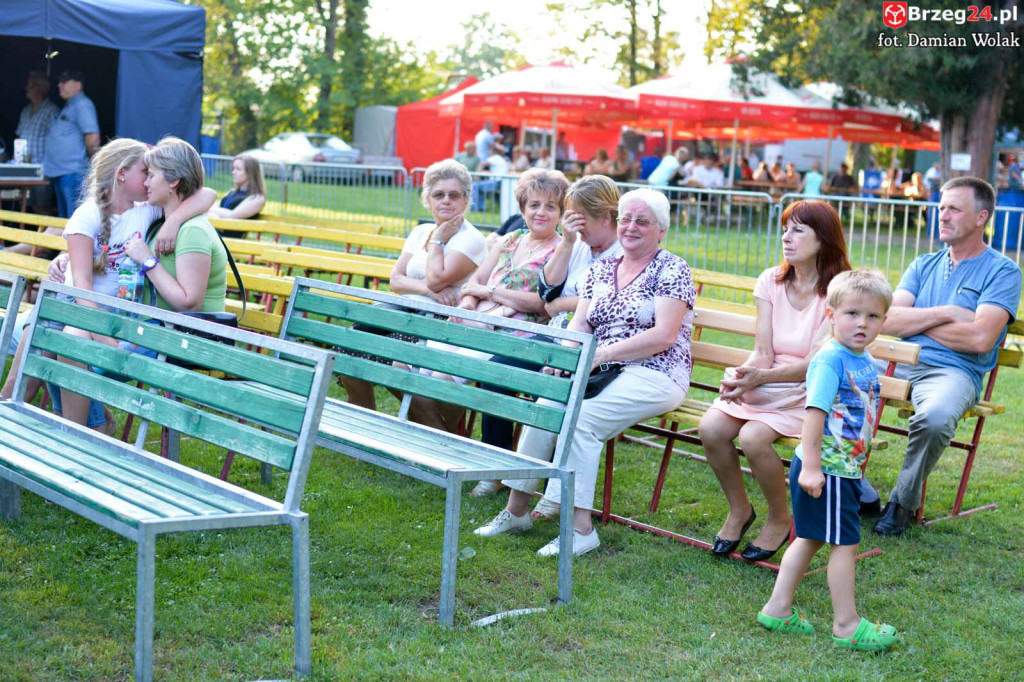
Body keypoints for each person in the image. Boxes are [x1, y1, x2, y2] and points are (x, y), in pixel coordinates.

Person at [473, 188, 695, 557]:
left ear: (662, 230)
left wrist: (601, 355)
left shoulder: (672, 268)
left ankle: (580, 530)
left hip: (655, 370)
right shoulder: (603, 268)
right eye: (626, 219)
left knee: (581, 420)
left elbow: (663, 336)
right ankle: (516, 511)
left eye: (643, 221)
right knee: (547, 404)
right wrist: (566, 358)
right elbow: (580, 324)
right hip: (600, 367)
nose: (631, 227)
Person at [13, 137, 216, 430]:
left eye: (151, 174)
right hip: (70, 304)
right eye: (144, 172)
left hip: (102, 314)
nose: (148, 181)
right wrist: (63, 259)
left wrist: (173, 222)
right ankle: (78, 429)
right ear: (122, 173)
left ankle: (84, 432)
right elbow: (81, 277)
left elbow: (207, 194)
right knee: (25, 382)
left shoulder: (146, 209)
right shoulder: (92, 212)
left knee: (67, 354)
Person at [698, 200, 852, 562]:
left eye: (798, 230)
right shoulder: (771, 279)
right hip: (768, 380)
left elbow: (817, 364)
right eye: (785, 228)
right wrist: (740, 376)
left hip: (811, 391)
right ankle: (739, 510)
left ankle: (781, 518)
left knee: (752, 437)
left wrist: (759, 377)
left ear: (824, 239)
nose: (787, 237)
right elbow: (762, 350)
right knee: (711, 428)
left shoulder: (839, 291)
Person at [872, 177, 1022, 536]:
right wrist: (947, 312)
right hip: (899, 357)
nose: (942, 215)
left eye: (954, 209)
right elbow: (887, 319)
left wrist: (916, 323)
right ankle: (857, 490)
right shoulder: (923, 263)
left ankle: (901, 503)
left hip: (953, 373)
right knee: (831, 375)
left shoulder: (1003, 271)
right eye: (941, 208)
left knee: (936, 418)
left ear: (981, 217)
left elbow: (981, 338)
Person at [758, 269, 898, 653]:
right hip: (828, 470)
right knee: (845, 545)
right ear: (831, 315)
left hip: (842, 469)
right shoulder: (830, 359)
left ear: (883, 320)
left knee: (811, 538)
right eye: (852, 313)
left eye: (872, 316)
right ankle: (846, 624)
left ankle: (777, 608)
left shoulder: (864, 358)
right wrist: (815, 468)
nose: (862, 324)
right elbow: (815, 414)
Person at [413, 168, 567, 437]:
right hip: (476, 322)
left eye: (550, 206)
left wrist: (490, 291)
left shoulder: (561, 249)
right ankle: (441, 441)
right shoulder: (510, 239)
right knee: (416, 374)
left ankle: (446, 445)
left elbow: (542, 304)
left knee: (439, 380)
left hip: (513, 335)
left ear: (561, 212)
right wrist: (470, 302)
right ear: (522, 208)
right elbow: (474, 283)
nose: (540, 212)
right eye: (533, 205)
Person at [340, 159, 487, 411]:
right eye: (438, 195)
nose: (446, 201)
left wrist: (438, 240)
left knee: (394, 362)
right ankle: (367, 425)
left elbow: (436, 278)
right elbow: (395, 280)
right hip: (401, 313)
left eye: (454, 195)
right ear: (427, 199)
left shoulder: (471, 238)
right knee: (347, 351)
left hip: (437, 325)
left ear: (466, 200)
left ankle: (433, 432)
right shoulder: (421, 231)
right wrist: (428, 291)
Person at [44, 70, 100, 218]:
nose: (59, 85)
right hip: (63, 171)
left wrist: (95, 167)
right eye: (59, 81)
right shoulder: (70, 105)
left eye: (65, 81)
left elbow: (93, 138)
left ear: (78, 85)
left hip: (73, 172)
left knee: (74, 220)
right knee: (64, 221)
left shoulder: (82, 104)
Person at [15, 70, 59, 208]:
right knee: (26, 207)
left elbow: (57, 141)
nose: (26, 88)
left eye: (30, 85)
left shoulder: (52, 110)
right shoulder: (25, 110)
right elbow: (19, 136)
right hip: (24, 170)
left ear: (40, 88)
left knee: (42, 209)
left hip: (42, 170)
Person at [206, 155, 267, 238]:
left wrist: (207, 209)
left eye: (238, 169)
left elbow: (232, 215)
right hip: (216, 234)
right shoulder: (231, 192)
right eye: (233, 168)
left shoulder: (257, 198)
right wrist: (213, 216)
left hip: (230, 240)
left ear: (250, 173)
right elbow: (213, 207)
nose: (233, 172)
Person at [471, 143, 511, 211]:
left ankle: (477, 208)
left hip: (497, 182)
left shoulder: (493, 158)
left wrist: (477, 175)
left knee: (474, 186)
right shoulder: (502, 159)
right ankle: (481, 207)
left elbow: (482, 164)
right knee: (478, 187)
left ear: (492, 151)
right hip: (503, 183)